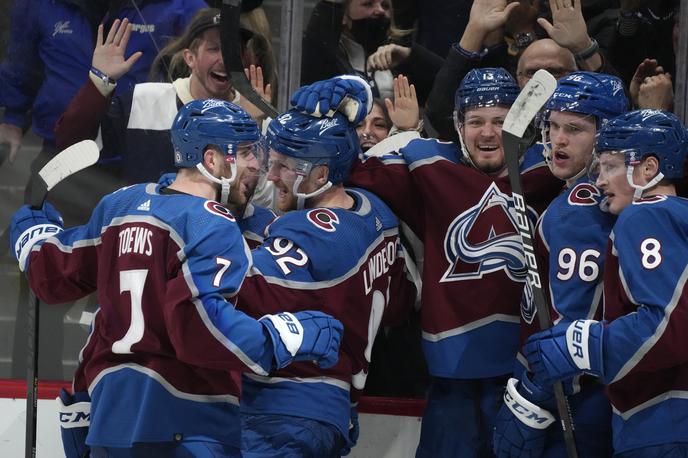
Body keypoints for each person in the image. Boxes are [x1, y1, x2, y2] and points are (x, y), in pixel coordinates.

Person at [10, 99, 343, 457]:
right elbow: (200, 330)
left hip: (109, 425)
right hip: (187, 428)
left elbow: (51, 273)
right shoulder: (211, 222)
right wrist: (284, 337)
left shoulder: (120, 206)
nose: (256, 165)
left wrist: (33, 232)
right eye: (245, 152)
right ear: (212, 159)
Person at [291, 69, 563, 456]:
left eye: (501, 121)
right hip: (453, 379)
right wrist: (334, 118)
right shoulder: (428, 165)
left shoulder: (550, 169)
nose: (487, 133)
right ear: (458, 124)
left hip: (531, 375)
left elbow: (607, 162)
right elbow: (343, 168)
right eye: (475, 121)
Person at [234, 103, 418, 456]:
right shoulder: (374, 210)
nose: (271, 176)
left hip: (282, 409)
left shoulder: (308, 234)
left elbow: (228, 294)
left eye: (283, 167)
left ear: (320, 175)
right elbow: (399, 305)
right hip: (332, 408)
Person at [523, 109, 688, 457]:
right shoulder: (679, 215)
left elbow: (668, 324)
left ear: (649, 170)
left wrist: (584, 344)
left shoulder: (646, 214)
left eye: (611, 167)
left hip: (664, 420)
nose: (599, 181)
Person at [493, 71, 628, 458]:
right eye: (552, 126)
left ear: (606, 136)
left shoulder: (580, 206)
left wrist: (535, 395)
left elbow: (574, 317)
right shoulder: (588, 197)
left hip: (574, 395)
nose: (558, 140)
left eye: (575, 129)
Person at [0, 0, 207, 166]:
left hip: (140, 157)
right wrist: (12, 118)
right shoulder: (41, 5)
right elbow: (21, 63)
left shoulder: (181, 7)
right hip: (60, 152)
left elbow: (210, 68)